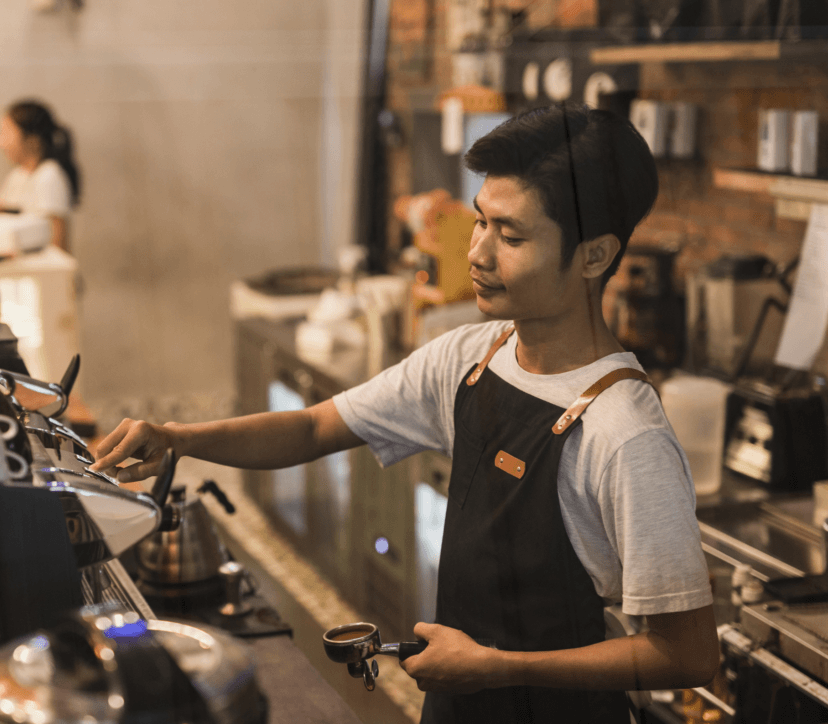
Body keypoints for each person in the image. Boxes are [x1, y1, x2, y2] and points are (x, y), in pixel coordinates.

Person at [90, 103, 719, 722]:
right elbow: (314, 426)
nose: (476, 253)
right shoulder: (473, 357)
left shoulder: (623, 433)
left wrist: (499, 668)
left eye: (512, 235)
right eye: (480, 223)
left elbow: (686, 654)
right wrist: (176, 438)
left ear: (594, 256)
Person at [0, 99, 81, 252]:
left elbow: (59, 241)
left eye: (6, 132)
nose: (0, 142)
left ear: (32, 139)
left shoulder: (49, 175)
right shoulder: (17, 175)